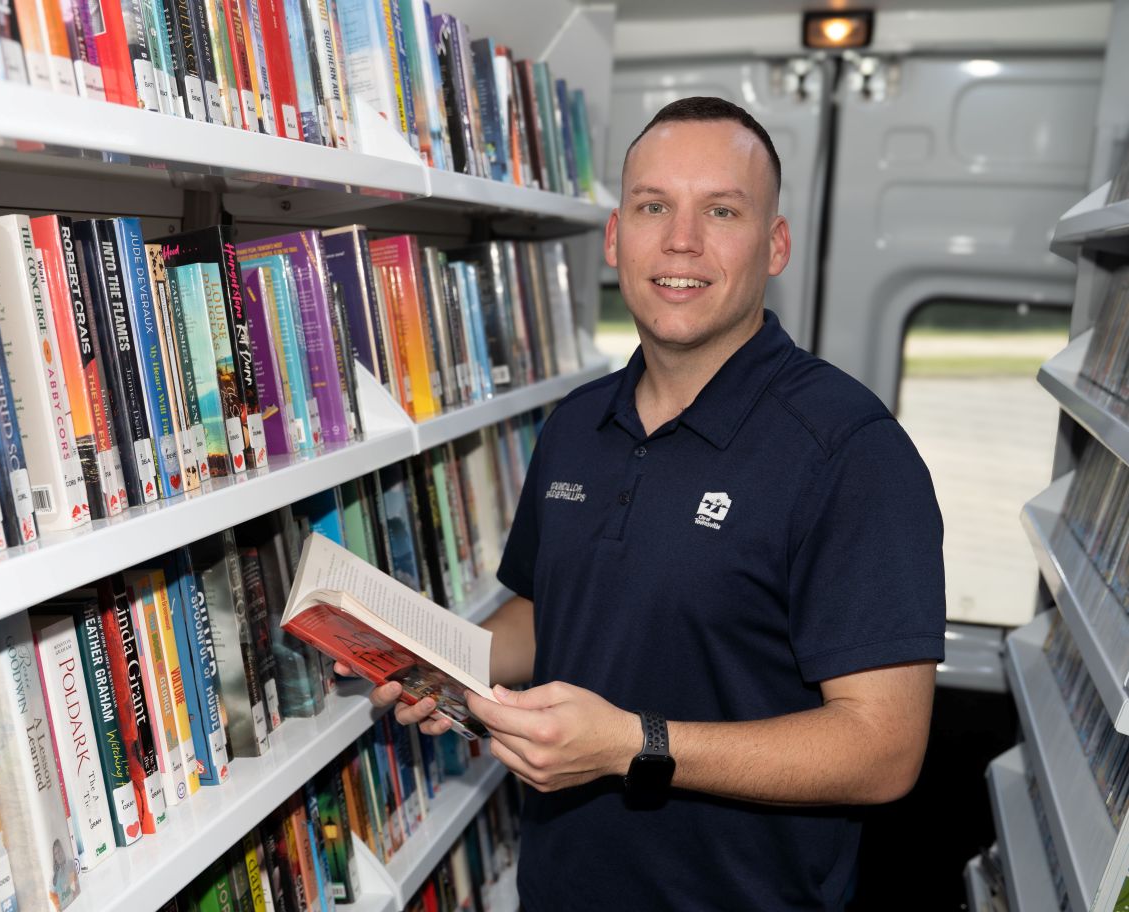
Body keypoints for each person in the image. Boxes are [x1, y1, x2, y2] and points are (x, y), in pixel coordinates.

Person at [345, 96, 945, 911]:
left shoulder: (851, 450)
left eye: (721, 211)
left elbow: (884, 750)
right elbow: (551, 614)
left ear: (775, 245)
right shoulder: (575, 425)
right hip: (557, 892)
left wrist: (633, 746)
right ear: (615, 237)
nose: (681, 240)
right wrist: (438, 659)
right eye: (653, 206)